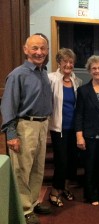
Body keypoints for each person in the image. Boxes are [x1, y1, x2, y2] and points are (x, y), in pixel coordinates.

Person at [1, 34, 52, 224]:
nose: (39, 52)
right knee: (22, 168)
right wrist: (11, 134)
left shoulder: (42, 72)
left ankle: (33, 201)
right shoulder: (18, 74)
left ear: (47, 50)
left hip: (41, 125)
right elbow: (7, 106)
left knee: (37, 168)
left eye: (43, 48)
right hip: (25, 126)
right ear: (26, 49)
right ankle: (24, 208)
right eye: (35, 48)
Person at [47, 48, 82, 207]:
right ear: (59, 62)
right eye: (65, 61)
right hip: (58, 128)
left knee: (72, 161)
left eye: (71, 62)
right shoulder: (51, 79)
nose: (68, 64)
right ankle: (54, 191)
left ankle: (65, 187)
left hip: (73, 128)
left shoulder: (76, 80)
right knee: (61, 161)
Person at [75, 55, 99, 206]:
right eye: (94, 68)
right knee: (90, 167)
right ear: (89, 71)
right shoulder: (83, 90)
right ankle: (91, 195)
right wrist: (79, 136)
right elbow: (79, 114)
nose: (97, 71)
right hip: (90, 135)